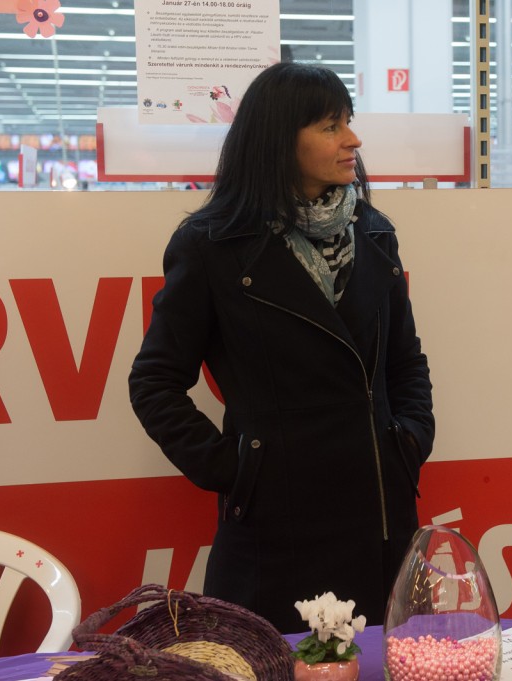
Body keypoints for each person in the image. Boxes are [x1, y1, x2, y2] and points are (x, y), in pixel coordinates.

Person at [129, 62, 434, 634]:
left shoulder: (373, 232)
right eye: (330, 126)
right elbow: (154, 382)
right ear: (278, 140)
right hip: (275, 535)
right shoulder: (213, 245)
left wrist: (409, 440)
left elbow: (405, 360)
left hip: (379, 520)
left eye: (348, 120)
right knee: (275, 664)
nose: (353, 139)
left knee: (378, 664)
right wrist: (236, 468)